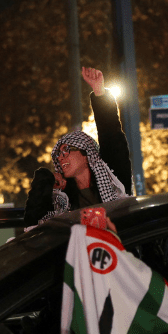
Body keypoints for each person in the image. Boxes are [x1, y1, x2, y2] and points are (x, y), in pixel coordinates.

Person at [24, 67, 132, 228]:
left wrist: (99, 92)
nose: (61, 157)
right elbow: (32, 224)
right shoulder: (60, 195)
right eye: (58, 154)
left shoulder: (114, 181)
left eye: (66, 150)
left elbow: (111, 136)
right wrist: (45, 180)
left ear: (86, 153)